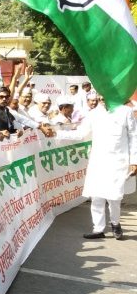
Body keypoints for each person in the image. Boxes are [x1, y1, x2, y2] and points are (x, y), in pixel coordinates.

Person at [56, 97, 137, 240]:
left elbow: (133, 136)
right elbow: (80, 134)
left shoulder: (125, 111)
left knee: (114, 197)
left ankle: (115, 224)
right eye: (100, 96)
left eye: (104, 95)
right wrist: (56, 133)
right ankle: (98, 228)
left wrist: (134, 161)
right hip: (98, 162)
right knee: (97, 196)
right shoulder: (93, 114)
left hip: (118, 162)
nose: (101, 99)